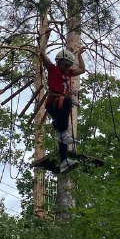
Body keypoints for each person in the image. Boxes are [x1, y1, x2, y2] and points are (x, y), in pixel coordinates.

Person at [39, 43, 86, 174]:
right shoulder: (53, 69)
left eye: (69, 65)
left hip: (61, 103)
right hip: (54, 102)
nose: (67, 67)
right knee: (67, 101)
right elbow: (42, 55)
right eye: (65, 64)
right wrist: (44, 39)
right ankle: (62, 132)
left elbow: (82, 70)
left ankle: (64, 161)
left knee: (63, 132)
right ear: (59, 62)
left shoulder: (69, 72)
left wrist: (79, 56)